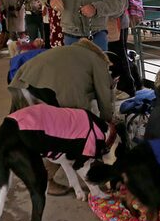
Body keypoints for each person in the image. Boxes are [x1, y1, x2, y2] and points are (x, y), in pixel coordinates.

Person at [8, 38, 115, 195]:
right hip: (40, 88)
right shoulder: (98, 61)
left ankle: (40, 174)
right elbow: (104, 95)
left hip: (21, 83)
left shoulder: (73, 53)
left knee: (41, 133)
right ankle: (47, 178)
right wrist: (107, 122)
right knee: (67, 134)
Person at [98, 0, 136, 98]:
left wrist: (106, 12)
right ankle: (127, 86)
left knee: (119, 55)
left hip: (117, 22)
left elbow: (121, 3)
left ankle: (127, 88)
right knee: (118, 55)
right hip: (116, 22)